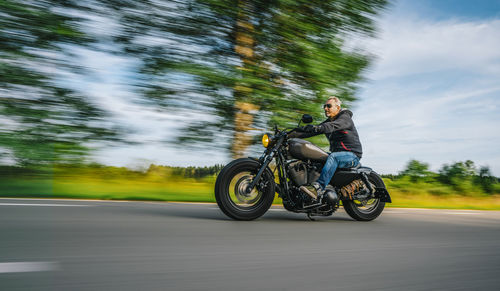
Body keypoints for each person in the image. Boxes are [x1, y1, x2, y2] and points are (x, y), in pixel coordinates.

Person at [290, 96, 362, 200]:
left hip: (352, 156)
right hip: (337, 155)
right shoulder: (328, 122)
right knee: (314, 159)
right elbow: (311, 131)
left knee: (334, 157)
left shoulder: (345, 118)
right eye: (324, 106)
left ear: (337, 107)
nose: (325, 108)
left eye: (328, 106)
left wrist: (318, 128)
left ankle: (318, 188)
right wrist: (289, 134)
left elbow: (331, 126)